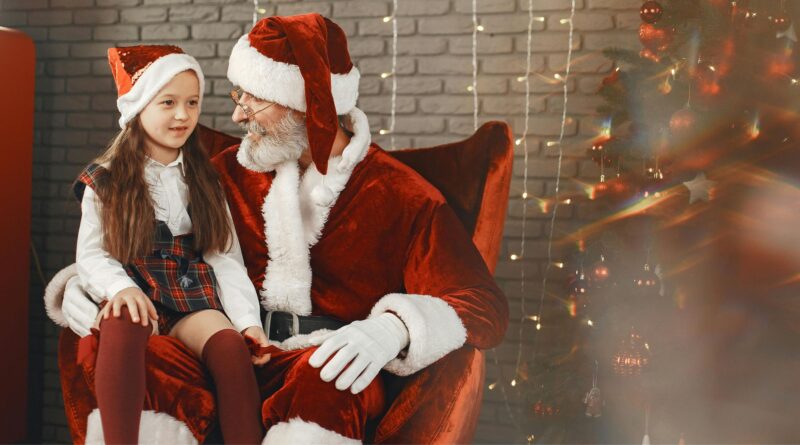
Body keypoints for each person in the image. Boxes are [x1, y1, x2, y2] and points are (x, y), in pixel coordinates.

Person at [53, 14, 509, 444]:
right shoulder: (224, 173)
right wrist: (91, 285)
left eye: (254, 99)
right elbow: (158, 241)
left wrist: (393, 329)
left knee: (326, 378)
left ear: (308, 104)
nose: (238, 117)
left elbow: (482, 305)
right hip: (231, 344)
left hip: (324, 355)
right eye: (237, 96)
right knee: (151, 363)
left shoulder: (403, 196)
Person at [74, 45, 268, 444]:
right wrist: (121, 289)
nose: (183, 115)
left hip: (189, 295)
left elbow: (224, 257)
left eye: (192, 103)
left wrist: (248, 321)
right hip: (136, 292)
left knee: (230, 348)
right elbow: (93, 254)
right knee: (122, 319)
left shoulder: (205, 179)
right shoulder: (106, 179)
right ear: (139, 107)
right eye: (168, 102)